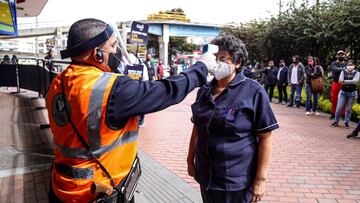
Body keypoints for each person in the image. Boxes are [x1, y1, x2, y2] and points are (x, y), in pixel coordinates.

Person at [45, 18, 216, 202]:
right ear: (97, 54)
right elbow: (166, 91)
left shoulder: (58, 82)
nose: (116, 51)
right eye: (112, 46)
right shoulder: (112, 89)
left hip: (62, 186)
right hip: (99, 191)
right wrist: (201, 68)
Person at [187, 34, 279, 203]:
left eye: (223, 58)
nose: (217, 62)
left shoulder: (253, 91)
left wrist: (260, 180)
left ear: (237, 62)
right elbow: (197, 127)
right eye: (215, 58)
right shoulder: (204, 90)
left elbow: (265, 137)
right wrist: (190, 160)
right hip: (206, 175)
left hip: (236, 180)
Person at [331, 60, 359, 128]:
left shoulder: (357, 73)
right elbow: (340, 81)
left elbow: (355, 81)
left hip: (352, 93)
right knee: (339, 107)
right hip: (343, 92)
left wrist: (344, 81)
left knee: (348, 109)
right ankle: (336, 121)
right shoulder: (343, 71)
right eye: (348, 65)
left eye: (351, 65)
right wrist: (348, 81)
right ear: (346, 66)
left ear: (354, 66)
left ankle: (346, 122)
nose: (350, 66)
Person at [330, 50, 347, 119]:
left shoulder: (346, 64)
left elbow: (349, 71)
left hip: (344, 83)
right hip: (336, 83)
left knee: (344, 99)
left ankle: (343, 114)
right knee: (334, 98)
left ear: (344, 55)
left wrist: (340, 70)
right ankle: (333, 113)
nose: (340, 56)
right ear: (337, 55)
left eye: (342, 54)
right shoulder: (334, 63)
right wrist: (344, 70)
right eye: (339, 54)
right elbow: (335, 70)